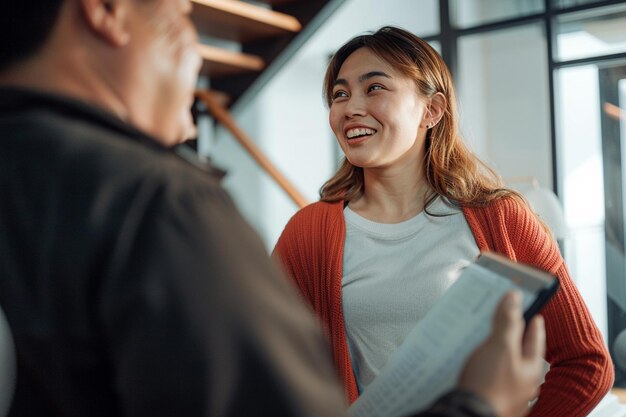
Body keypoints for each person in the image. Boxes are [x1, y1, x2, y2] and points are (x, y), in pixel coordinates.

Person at [0, 2, 545, 416]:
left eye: (374, 88)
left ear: (433, 110)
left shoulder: (36, 172)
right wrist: (481, 403)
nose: (192, 49)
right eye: (183, 14)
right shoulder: (162, 203)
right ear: (108, 10)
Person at [273, 26, 614, 417]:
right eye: (340, 94)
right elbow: (266, 367)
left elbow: (586, 362)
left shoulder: (501, 218)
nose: (350, 107)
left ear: (432, 110)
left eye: (375, 88)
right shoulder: (308, 233)